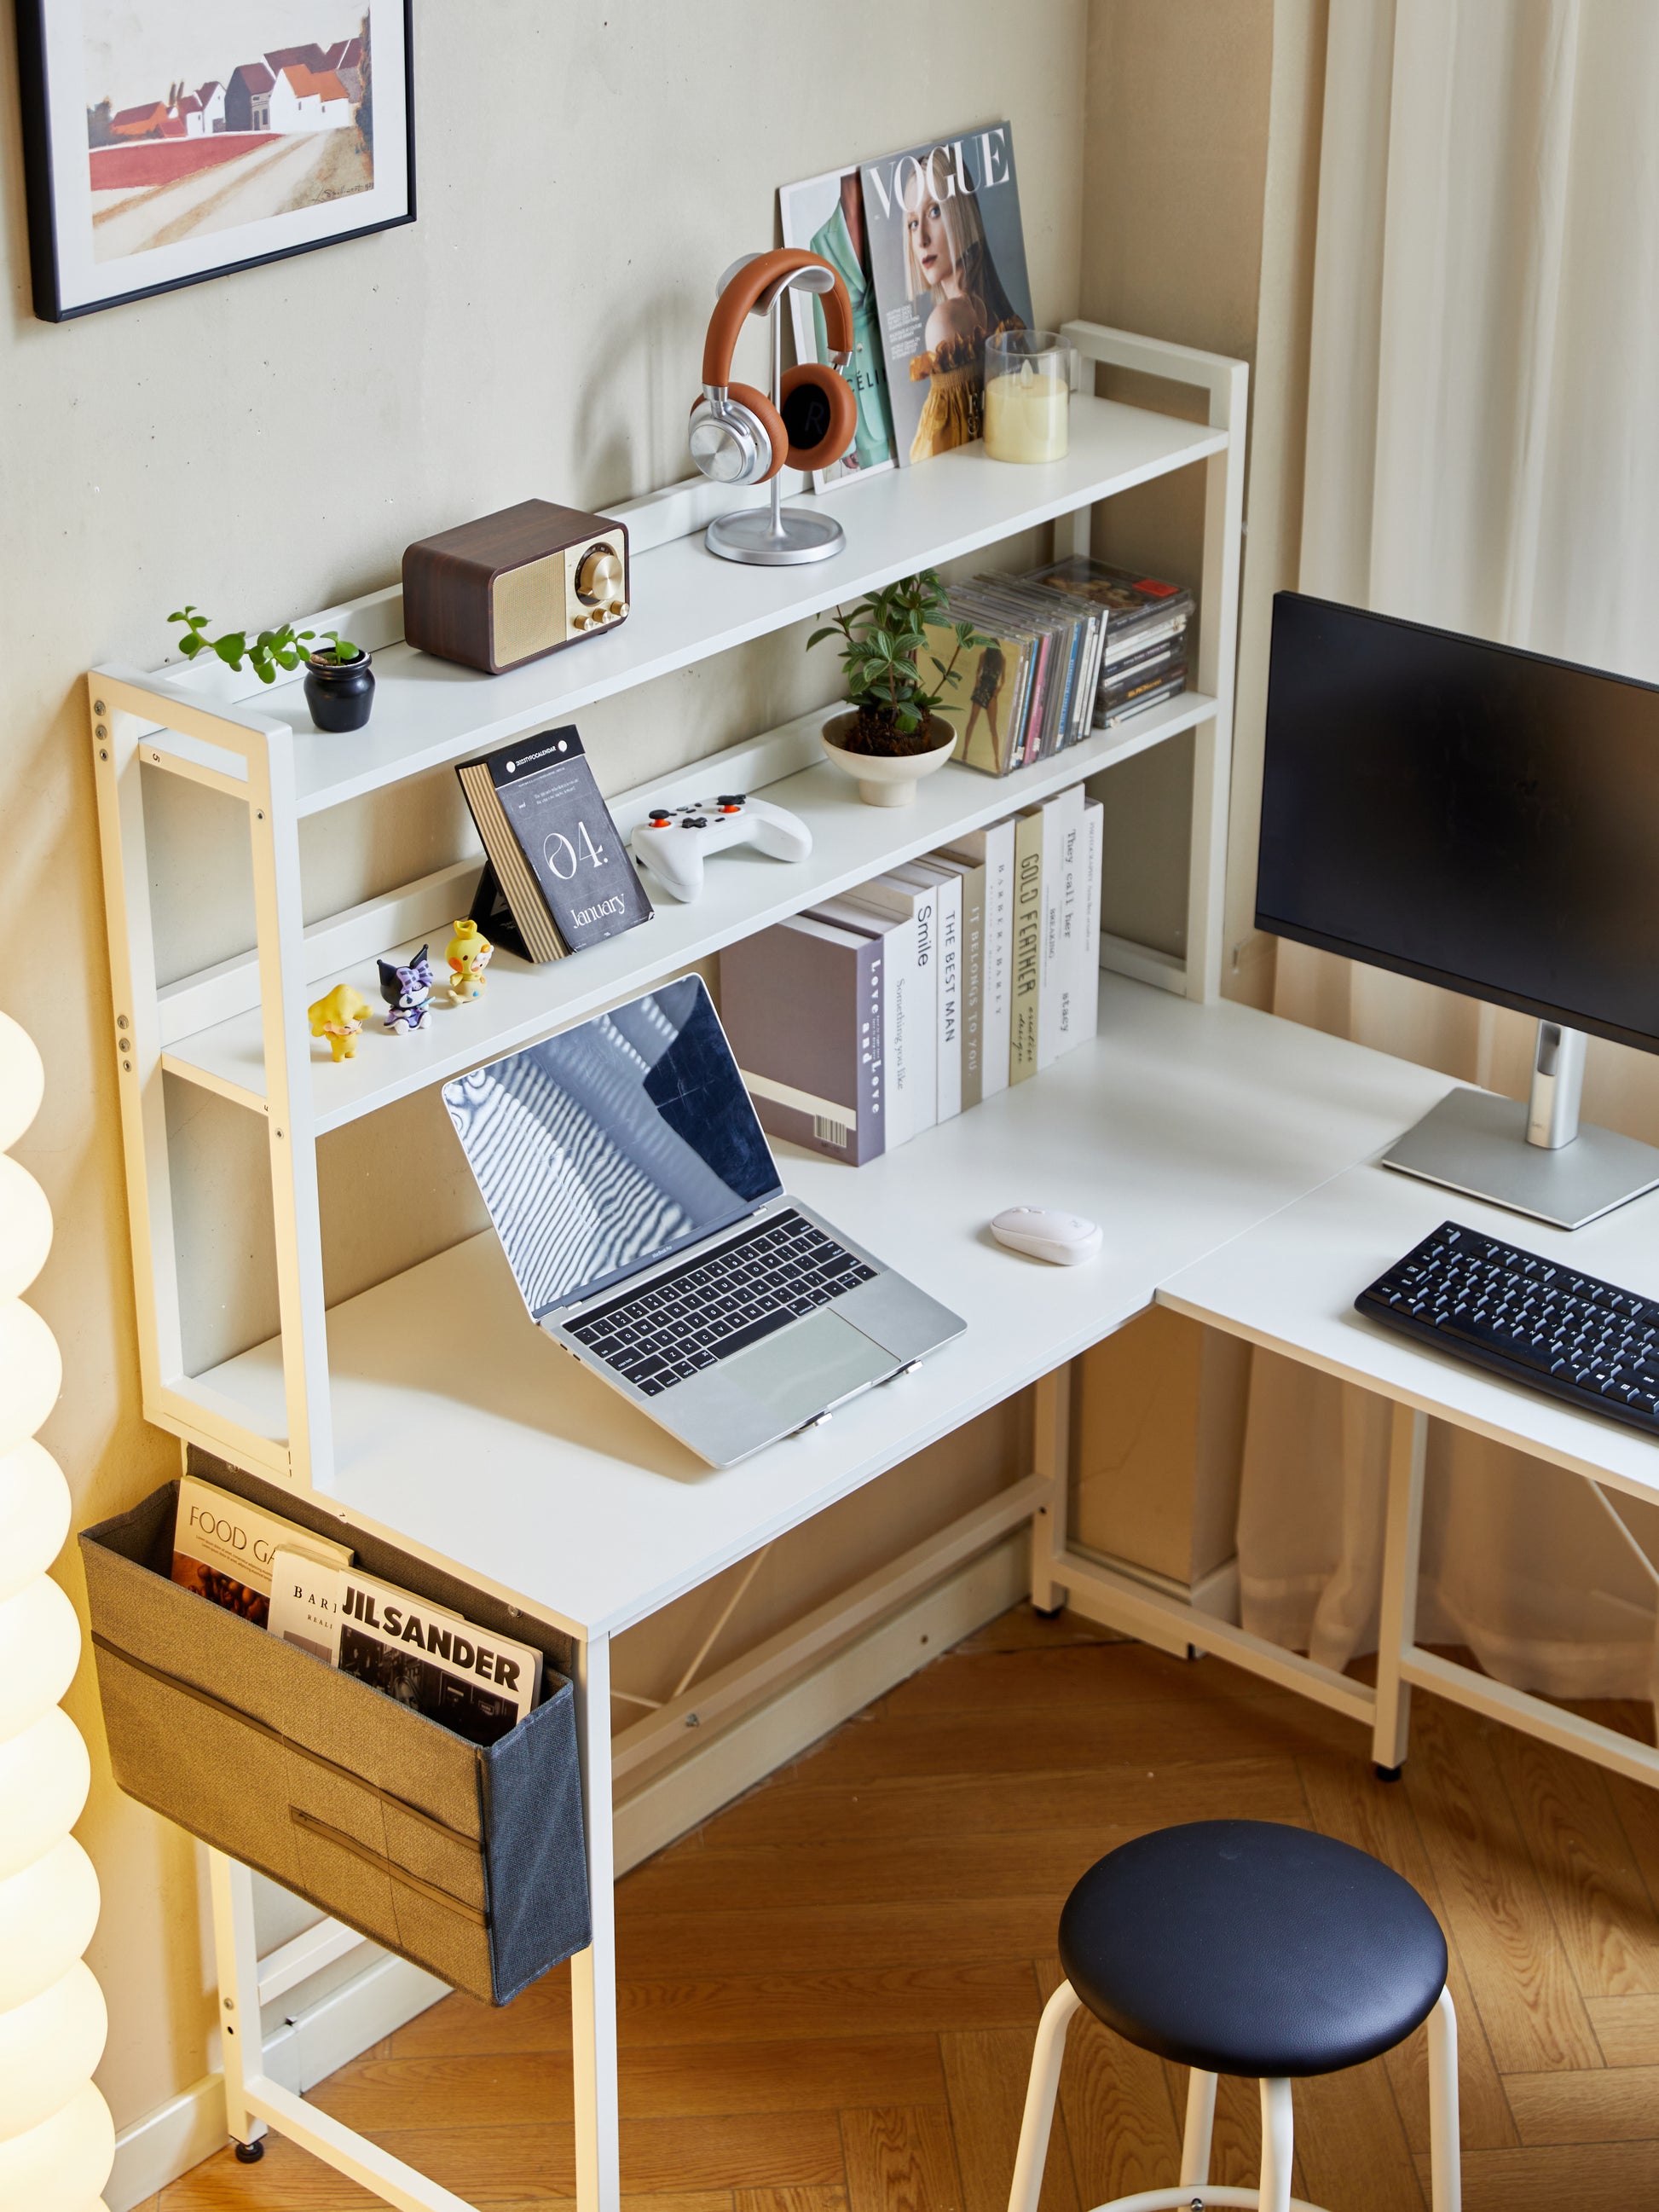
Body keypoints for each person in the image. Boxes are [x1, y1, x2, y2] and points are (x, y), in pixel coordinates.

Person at [901, 146, 1025, 462]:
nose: (921, 239)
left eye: (934, 212)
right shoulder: (995, 313)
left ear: (961, 212)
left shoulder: (945, 322)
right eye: (913, 223)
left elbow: (938, 458)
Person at [808, 171, 895, 473]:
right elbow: (826, 336)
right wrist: (843, 436)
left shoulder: (894, 217)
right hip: (861, 391)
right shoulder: (820, 242)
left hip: (903, 374)